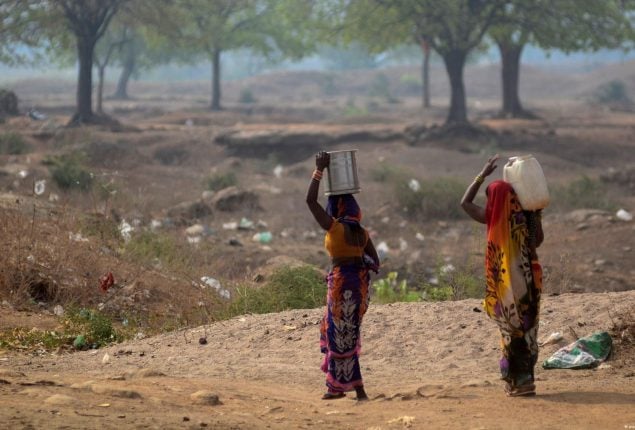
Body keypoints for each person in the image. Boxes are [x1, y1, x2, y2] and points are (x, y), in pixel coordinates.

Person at [460, 154, 544, 397]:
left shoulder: (491, 217)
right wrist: (535, 212)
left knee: (510, 331)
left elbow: (465, 203)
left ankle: (516, 382)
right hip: (529, 281)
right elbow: (537, 241)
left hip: (505, 286)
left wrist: (482, 175)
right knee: (527, 328)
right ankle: (526, 380)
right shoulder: (526, 215)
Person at [306, 151, 380, 401]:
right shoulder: (362, 232)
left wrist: (319, 170)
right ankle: (338, 387)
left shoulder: (334, 227)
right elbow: (375, 262)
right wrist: (358, 266)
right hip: (358, 286)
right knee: (345, 332)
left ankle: (355, 389)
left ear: (335, 207)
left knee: (340, 335)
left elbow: (310, 201)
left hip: (341, 285)